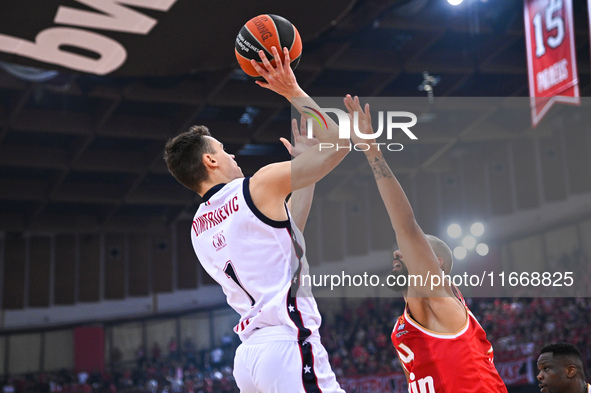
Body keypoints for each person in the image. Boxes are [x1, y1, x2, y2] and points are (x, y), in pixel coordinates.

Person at [164, 46, 348, 392]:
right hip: (287, 345)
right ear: (210, 161)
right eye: (222, 149)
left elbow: (289, 239)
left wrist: (306, 171)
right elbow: (339, 144)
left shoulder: (198, 227)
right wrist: (292, 91)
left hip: (250, 358)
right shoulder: (257, 186)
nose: (231, 154)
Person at [343, 95, 507, 392]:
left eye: (408, 251)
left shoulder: (441, 299)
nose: (397, 252)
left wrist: (372, 153)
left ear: (436, 263)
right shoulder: (403, 326)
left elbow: (405, 227)